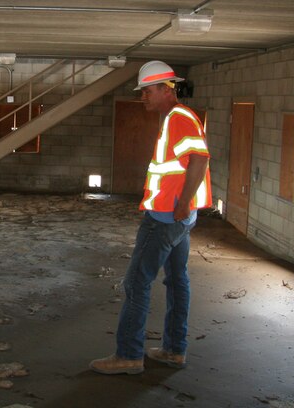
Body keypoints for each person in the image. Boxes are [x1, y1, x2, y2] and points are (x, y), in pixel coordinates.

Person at [90, 60, 212, 374]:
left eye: (147, 92)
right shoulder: (174, 118)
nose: (143, 98)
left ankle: (129, 355)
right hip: (177, 217)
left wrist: (183, 203)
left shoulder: (178, 117)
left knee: (136, 283)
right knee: (176, 280)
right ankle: (173, 349)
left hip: (166, 217)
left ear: (165, 89)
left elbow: (199, 159)